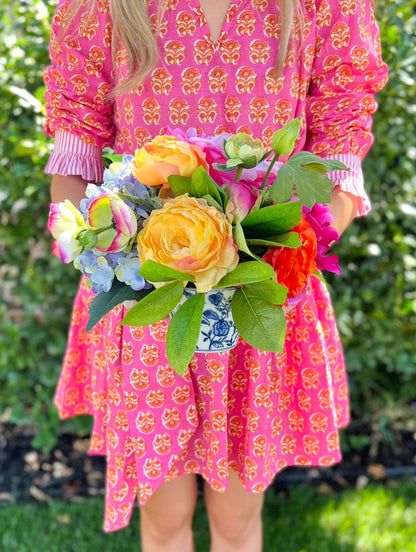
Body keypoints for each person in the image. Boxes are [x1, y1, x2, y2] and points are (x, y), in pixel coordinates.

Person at [44, 0, 388, 550]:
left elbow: (340, 154)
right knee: (164, 520)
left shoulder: (322, 7)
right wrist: (101, 239)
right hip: (148, 303)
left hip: (263, 296)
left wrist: (286, 247)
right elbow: (72, 159)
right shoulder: (103, 8)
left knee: (235, 523)